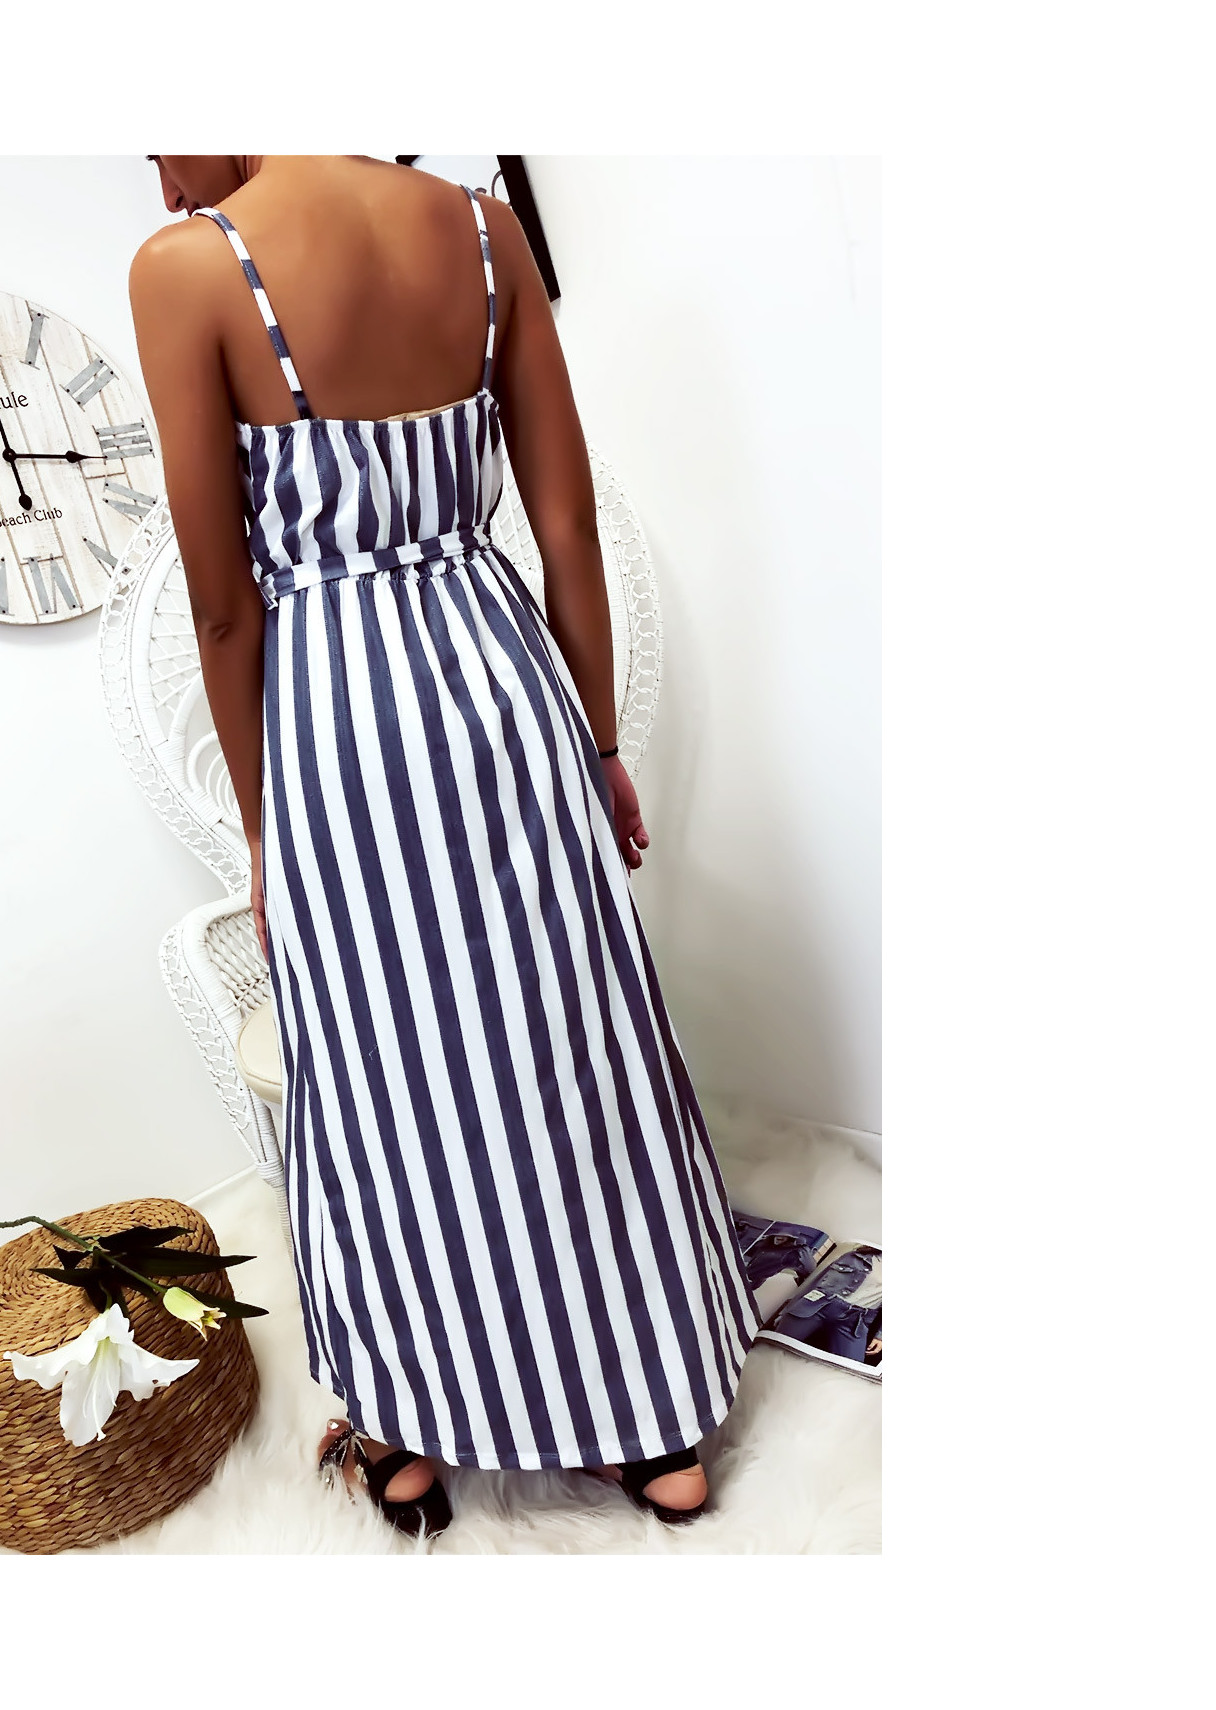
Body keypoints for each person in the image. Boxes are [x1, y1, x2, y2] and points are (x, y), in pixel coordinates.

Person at [129, 155, 759, 1538]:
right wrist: (599, 745)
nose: (159, 167)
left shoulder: (188, 267)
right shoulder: (481, 229)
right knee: (569, 1048)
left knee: (386, 1083)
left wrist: (264, 828)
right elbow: (564, 524)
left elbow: (225, 611)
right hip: (506, 690)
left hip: (341, 727)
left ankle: (407, 1430)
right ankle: (655, 1425)